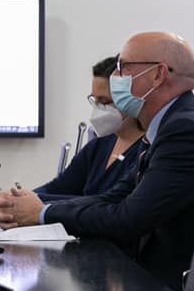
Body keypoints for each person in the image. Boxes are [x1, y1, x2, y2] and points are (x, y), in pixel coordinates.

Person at [0, 32, 194, 290]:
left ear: (158, 75)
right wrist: (30, 208)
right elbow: (113, 197)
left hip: (177, 290)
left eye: (123, 67)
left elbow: (129, 218)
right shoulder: (168, 124)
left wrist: (41, 213)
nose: (115, 76)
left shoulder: (187, 129)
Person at [32, 56, 145, 202]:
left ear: (128, 99)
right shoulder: (98, 146)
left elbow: (104, 204)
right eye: (94, 101)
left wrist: (39, 206)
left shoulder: (146, 152)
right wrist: (18, 200)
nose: (98, 109)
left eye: (104, 101)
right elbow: (58, 187)